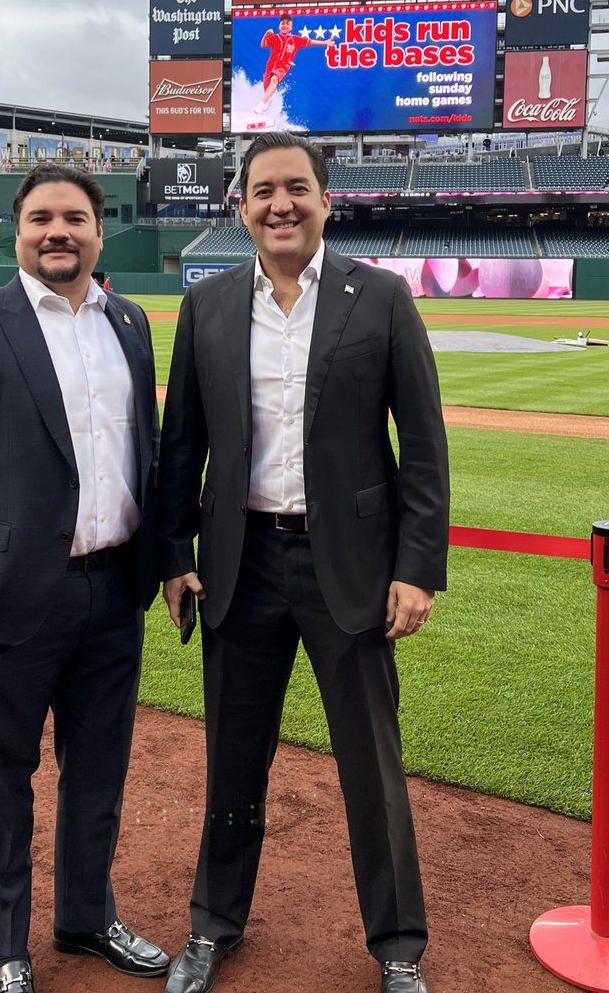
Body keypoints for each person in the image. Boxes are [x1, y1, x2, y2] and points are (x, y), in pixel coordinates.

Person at [158, 132, 449, 993]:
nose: (279, 204)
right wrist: (175, 557)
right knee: (233, 759)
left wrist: (417, 567)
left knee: (372, 766)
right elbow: (183, 451)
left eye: (296, 189)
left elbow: (423, 446)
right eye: (262, 191)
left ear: (327, 199)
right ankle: (214, 926)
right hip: (240, 568)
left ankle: (397, 946)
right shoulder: (205, 305)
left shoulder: (384, 297)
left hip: (349, 569)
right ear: (240, 206)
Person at [0, 163, 169, 993]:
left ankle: (87, 917)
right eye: (43, 217)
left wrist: (160, 565)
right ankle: (6, 944)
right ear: (18, 231)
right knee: (2, 778)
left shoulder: (129, 322)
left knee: (98, 776)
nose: (60, 231)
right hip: (12, 596)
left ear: (98, 231)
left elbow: (145, 459)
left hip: (113, 591)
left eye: (77, 218)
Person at [252, 14, 331, 116]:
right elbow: (263, 45)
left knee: (274, 79)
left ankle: (261, 105)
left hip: (283, 67)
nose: (285, 25)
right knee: (268, 88)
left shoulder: (295, 40)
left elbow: (310, 42)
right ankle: (267, 100)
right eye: (283, 23)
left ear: (291, 27)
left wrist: (324, 43)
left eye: (288, 24)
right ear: (279, 26)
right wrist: (266, 35)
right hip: (270, 67)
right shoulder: (275, 37)